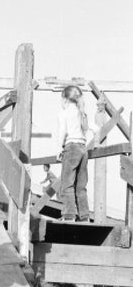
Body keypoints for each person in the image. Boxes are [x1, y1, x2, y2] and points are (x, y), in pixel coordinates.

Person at [56, 85, 94, 222]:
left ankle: (69, 215)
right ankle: (84, 216)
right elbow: (96, 129)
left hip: (71, 147)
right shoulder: (82, 113)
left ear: (65, 99)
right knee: (81, 185)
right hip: (83, 149)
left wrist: (59, 148)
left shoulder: (64, 113)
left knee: (67, 183)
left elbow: (62, 131)